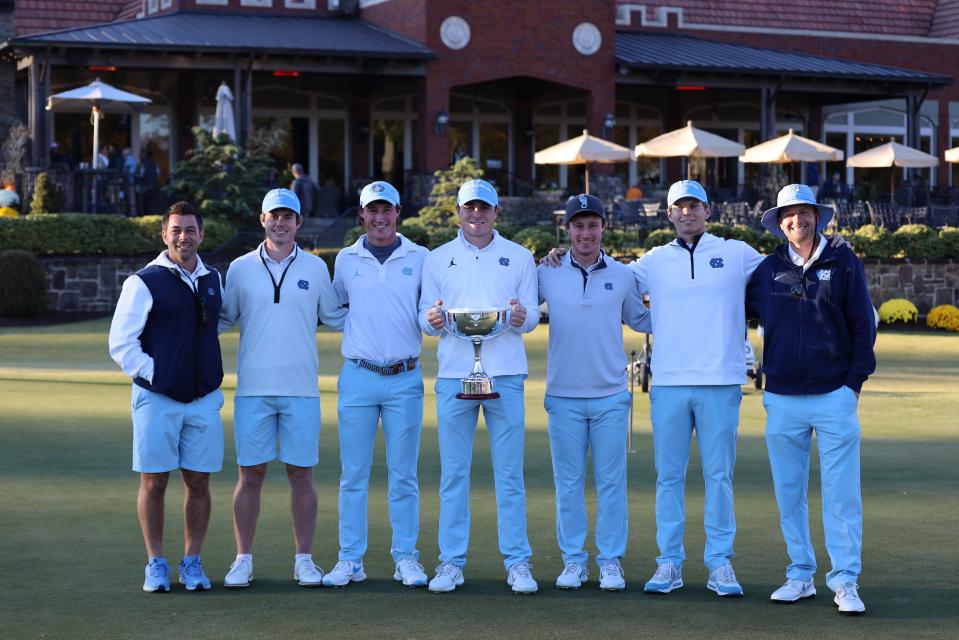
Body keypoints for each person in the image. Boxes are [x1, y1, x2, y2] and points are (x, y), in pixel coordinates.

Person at [747, 184, 876, 615]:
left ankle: (845, 582)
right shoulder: (768, 269)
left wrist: (853, 384)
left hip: (834, 393)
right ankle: (800, 574)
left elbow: (863, 325)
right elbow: (731, 309)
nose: (796, 221)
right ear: (779, 221)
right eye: (788, 214)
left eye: (804, 213)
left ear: (816, 217)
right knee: (789, 492)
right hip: (782, 396)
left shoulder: (844, 262)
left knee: (841, 494)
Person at [218, 188, 347, 589]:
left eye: (287, 216)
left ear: (298, 222)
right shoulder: (239, 269)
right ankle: (243, 559)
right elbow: (221, 320)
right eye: (274, 216)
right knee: (249, 474)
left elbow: (337, 317)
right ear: (262, 220)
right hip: (253, 390)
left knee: (301, 475)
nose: (280, 222)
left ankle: (304, 560)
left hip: (301, 390)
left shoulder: (315, 269)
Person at [419, 179, 540, 594]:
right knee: (453, 473)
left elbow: (531, 320)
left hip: (506, 373)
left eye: (484, 208)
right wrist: (431, 322)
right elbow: (426, 315)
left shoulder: (520, 257)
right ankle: (451, 562)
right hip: (455, 374)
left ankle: (518, 562)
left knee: (509, 474)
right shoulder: (437, 259)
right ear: (458, 211)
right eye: (469, 208)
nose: (476, 215)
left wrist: (523, 315)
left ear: (496, 212)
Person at [108, 201, 225, 593]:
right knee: (154, 482)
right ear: (164, 234)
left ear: (201, 235)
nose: (183, 236)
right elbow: (121, 344)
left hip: (204, 399)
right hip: (157, 399)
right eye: (176, 229)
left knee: (199, 482)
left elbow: (211, 329)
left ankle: (192, 561)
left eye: (190, 229)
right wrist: (162, 374)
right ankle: (155, 562)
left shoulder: (213, 279)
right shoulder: (143, 282)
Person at [538, 194, 651, 591]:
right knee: (567, 483)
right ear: (566, 229)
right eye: (578, 225)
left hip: (610, 396)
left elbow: (643, 318)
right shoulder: (545, 272)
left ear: (603, 227)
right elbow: (516, 310)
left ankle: (610, 562)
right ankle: (573, 561)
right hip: (563, 396)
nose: (585, 233)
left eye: (592, 225)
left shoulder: (622, 275)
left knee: (611, 483)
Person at [323, 181, 430, 588]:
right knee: (354, 475)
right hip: (358, 377)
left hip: (405, 377)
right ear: (362, 215)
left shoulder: (420, 257)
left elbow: (426, 312)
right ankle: (351, 559)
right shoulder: (346, 260)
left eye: (387, 210)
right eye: (373, 211)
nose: (380, 218)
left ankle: (406, 557)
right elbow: (335, 309)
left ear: (398, 212)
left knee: (404, 475)